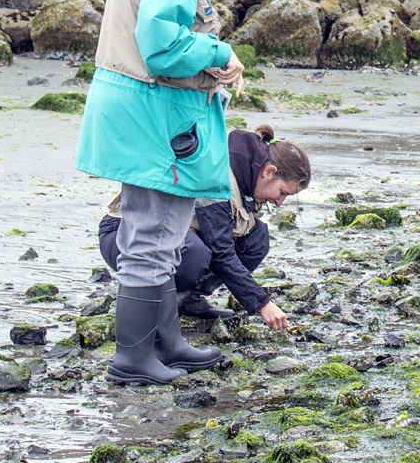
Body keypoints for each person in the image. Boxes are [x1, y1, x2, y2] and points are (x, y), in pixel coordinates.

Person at [75, 0, 245, 385]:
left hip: (137, 110)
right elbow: (161, 46)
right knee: (152, 239)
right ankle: (132, 360)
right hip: (155, 117)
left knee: (162, 238)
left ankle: (165, 343)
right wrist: (221, 51)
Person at [98, 124, 310, 330]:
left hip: (170, 235)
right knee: (194, 253)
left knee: (256, 239)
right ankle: (158, 304)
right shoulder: (217, 178)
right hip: (124, 235)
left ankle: (187, 299)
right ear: (269, 171)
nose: (280, 202)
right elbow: (221, 252)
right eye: (282, 192)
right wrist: (263, 303)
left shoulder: (247, 177)